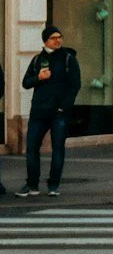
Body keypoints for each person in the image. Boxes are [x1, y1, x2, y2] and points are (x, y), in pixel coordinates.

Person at [19, 25, 80, 197]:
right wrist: (39, 77)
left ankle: (54, 185)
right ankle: (32, 184)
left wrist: (64, 107)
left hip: (59, 112)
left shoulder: (69, 59)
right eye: (54, 38)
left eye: (60, 37)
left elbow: (75, 85)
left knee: (58, 148)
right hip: (39, 111)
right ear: (45, 40)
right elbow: (26, 82)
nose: (58, 40)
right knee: (31, 148)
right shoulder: (38, 59)